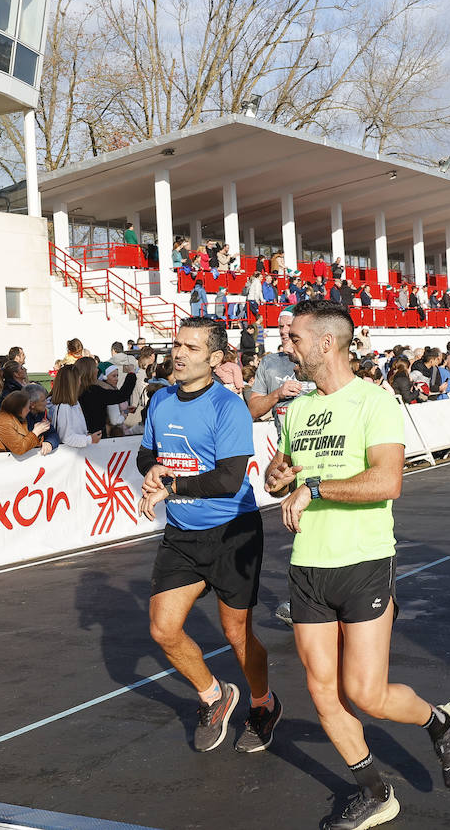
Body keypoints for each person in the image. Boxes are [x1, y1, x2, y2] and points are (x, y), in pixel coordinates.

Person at [263, 301, 450, 829]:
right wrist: (278, 476)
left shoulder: (375, 402)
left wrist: (313, 488)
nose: (287, 347)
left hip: (363, 562)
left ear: (326, 343)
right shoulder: (298, 409)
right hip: (307, 564)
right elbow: (283, 476)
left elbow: (388, 482)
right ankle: (375, 792)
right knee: (320, 691)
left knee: (366, 694)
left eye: (294, 338)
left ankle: (441, 721)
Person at [136, 318, 276, 754]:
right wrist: (153, 469)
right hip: (183, 532)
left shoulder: (227, 406)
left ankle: (262, 704)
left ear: (215, 359)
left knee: (237, 636)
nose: (178, 354)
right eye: (177, 345)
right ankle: (214, 695)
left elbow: (231, 479)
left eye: (191, 348)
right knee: (163, 630)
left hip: (232, 533)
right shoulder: (160, 400)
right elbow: (145, 454)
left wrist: (171, 486)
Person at [0, 390, 53, 456]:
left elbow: (25, 440)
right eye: (27, 407)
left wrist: (43, 439)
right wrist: (36, 432)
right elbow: (19, 448)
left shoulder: (16, 419)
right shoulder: (3, 421)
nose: (28, 410)